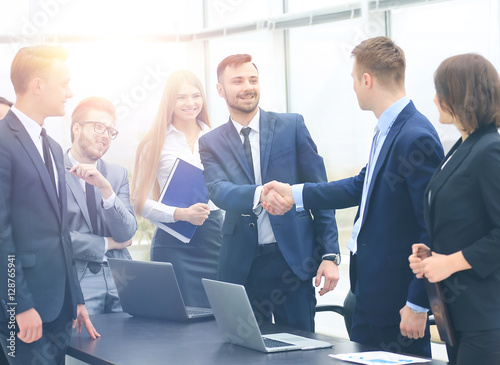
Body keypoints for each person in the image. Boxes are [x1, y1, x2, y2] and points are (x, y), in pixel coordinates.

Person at [263, 37, 443, 356]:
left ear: (366, 80)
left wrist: (417, 302)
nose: (354, 89)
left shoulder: (415, 136)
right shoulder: (387, 130)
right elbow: (359, 186)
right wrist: (295, 193)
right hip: (369, 295)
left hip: (398, 301)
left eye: (353, 80)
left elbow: (430, 228)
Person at [198, 54, 340, 332]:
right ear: (220, 90)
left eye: (253, 79)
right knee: (244, 353)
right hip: (242, 266)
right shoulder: (210, 142)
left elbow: (319, 193)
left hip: (293, 263)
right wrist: (260, 193)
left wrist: (329, 255)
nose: (247, 87)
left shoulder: (292, 126)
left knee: (301, 353)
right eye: (237, 81)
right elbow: (218, 190)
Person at [0, 45, 99, 365]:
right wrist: (20, 305)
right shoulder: (2, 141)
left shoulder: (54, 147)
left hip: (60, 306)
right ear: (38, 85)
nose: (70, 93)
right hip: (23, 309)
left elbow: (62, 233)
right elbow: (2, 234)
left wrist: (77, 298)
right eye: (64, 83)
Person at [409, 54, 500, 365]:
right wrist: (433, 253)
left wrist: (450, 263)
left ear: (460, 95)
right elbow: (466, 221)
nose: (434, 100)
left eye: (440, 91)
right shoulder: (464, 145)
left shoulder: (489, 149)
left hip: (485, 316)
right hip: (458, 314)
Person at [131, 70, 222, 308]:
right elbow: (138, 201)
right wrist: (181, 214)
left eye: (196, 96)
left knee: (215, 317)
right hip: (173, 242)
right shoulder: (154, 142)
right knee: (178, 321)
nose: (190, 103)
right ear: (169, 102)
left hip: (213, 237)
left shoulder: (218, 138)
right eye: (181, 97)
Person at [66, 96, 137, 315]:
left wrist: (107, 190)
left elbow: (126, 232)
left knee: (132, 344)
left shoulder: (117, 174)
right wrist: (107, 244)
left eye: (110, 131)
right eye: (98, 127)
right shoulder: (51, 172)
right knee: (82, 345)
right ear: (77, 128)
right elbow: (56, 237)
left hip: (122, 276)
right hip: (77, 277)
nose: (105, 135)